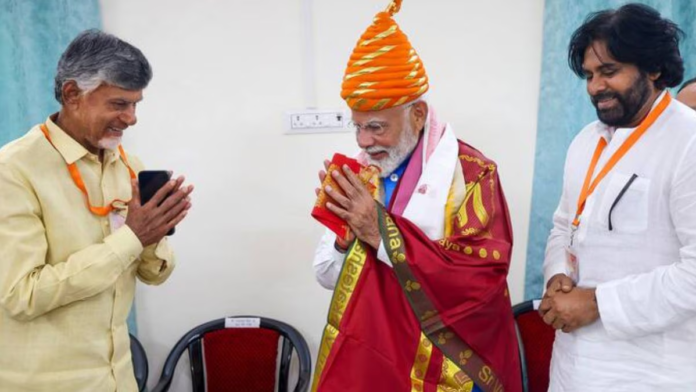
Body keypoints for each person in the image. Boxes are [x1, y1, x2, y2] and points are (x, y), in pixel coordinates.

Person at [311, 1, 520, 391]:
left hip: (450, 362)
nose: (363, 142)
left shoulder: (473, 174)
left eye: (375, 127)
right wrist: (344, 243)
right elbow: (326, 276)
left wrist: (378, 232)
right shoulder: (358, 175)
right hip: (378, 359)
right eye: (356, 127)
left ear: (418, 115)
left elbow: (481, 278)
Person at [0, 30, 193, 392]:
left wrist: (153, 234)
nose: (131, 118)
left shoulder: (126, 165)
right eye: (119, 104)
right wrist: (132, 237)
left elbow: (153, 275)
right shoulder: (12, 170)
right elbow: (21, 295)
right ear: (73, 94)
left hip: (117, 379)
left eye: (136, 104)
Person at [539, 4, 696, 390]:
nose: (595, 86)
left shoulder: (688, 140)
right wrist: (558, 273)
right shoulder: (586, 140)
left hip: (650, 372)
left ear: (653, 68)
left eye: (609, 71)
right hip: (572, 363)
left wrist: (597, 303)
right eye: (589, 75)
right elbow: (564, 224)